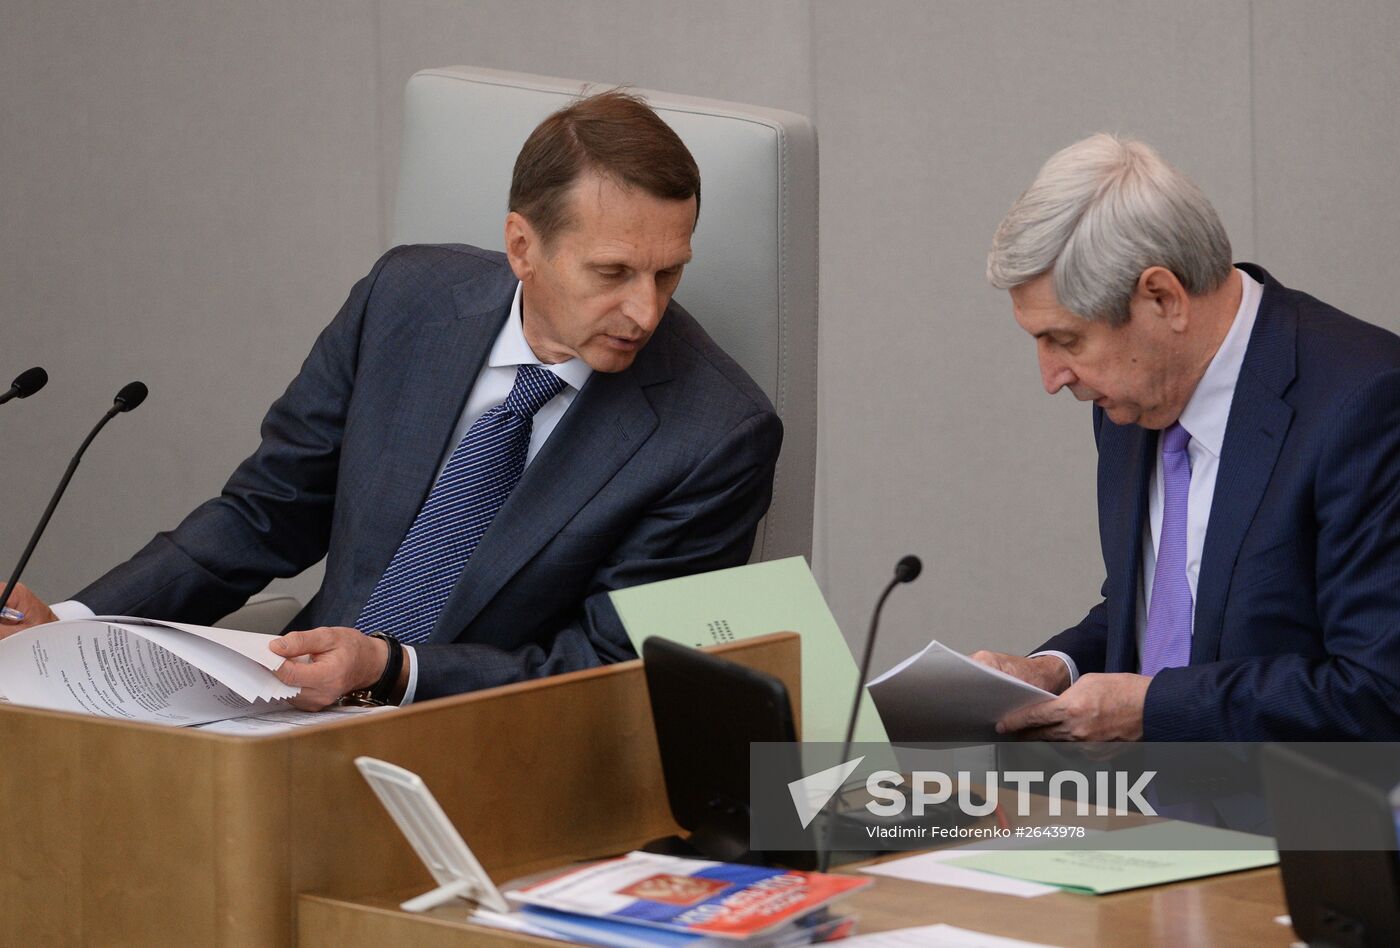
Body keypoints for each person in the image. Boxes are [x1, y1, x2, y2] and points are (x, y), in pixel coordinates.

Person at [1, 90, 782, 709]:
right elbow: (267, 512)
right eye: (613, 273)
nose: (646, 311)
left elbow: (607, 671)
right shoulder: (403, 301)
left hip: (490, 750)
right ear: (522, 246)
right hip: (284, 711)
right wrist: (71, 629)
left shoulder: (715, 434)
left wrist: (393, 670)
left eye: (669, 272)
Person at [972, 133, 1400, 741]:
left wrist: (1153, 710)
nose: (1052, 379)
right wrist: (1052, 670)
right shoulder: (1133, 400)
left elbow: (1380, 693)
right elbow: (1164, 616)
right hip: (1146, 814)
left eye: (1066, 340)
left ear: (1162, 298)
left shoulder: (1367, 406)